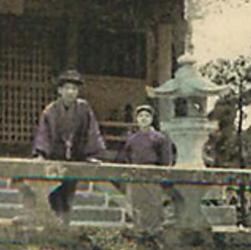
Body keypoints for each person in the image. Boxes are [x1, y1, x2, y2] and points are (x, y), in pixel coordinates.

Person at [33, 69, 106, 215]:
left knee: (69, 195)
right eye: (67, 88)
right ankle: (55, 224)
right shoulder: (50, 111)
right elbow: (43, 133)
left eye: (74, 88)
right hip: (55, 156)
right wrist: (41, 153)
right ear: (60, 90)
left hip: (76, 156)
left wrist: (90, 154)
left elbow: (91, 131)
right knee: (54, 194)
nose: (70, 92)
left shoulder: (84, 109)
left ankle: (65, 223)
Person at [116, 103, 176, 232]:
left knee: (153, 203)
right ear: (136, 119)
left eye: (147, 116)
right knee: (138, 203)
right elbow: (126, 157)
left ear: (152, 119)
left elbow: (166, 157)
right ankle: (139, 229)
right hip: (136, 173)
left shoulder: (159, 138)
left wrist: (163, 173)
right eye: (140, 116)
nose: (143, 119)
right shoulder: (131, 139)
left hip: (153, 173)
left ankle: (154, 231)